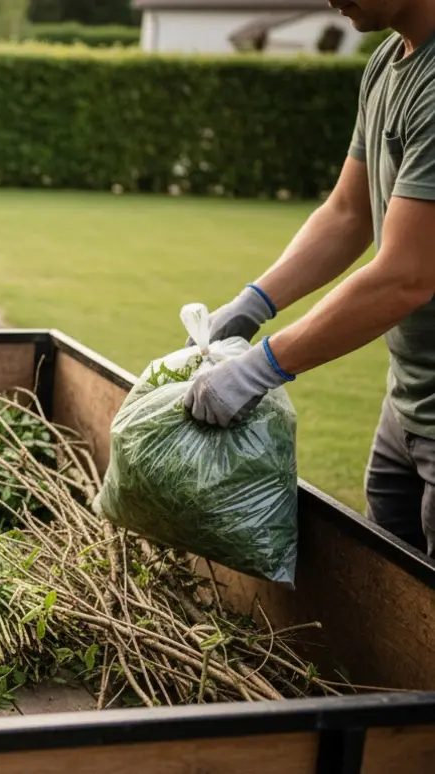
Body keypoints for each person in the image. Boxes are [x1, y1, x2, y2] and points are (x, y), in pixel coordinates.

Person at [183, 0, 435, 557]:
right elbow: (348, 214)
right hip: (408, 401)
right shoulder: (389, 63)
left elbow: (405, 277)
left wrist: (261, 368)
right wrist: (252, 303)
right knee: (391, 606)